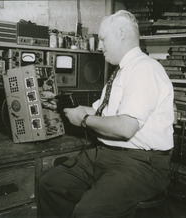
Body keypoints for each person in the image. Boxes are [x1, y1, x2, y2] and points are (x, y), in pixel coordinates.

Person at [38, 10, 174, 218]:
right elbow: (100, 112)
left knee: (88, 212)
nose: (100, 46)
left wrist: (83, 120)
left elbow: (126, 128)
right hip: (107, 155)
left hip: (142, 164)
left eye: (103, 39)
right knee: (50, 185)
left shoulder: (145, 70)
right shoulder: (122, 72)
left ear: (121, 32)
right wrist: (57, 104)